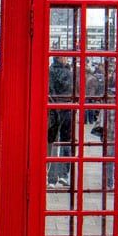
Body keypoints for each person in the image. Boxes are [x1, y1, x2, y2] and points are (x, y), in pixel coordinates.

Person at [47, 56, 74, 188]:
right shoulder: (70, 73)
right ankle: (64, 174)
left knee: (53, 144)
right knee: (65, 143)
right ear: (62, 59)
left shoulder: (49, 71)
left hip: (53, 111)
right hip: (67, 110)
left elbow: (49, 91)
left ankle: (51, 178)